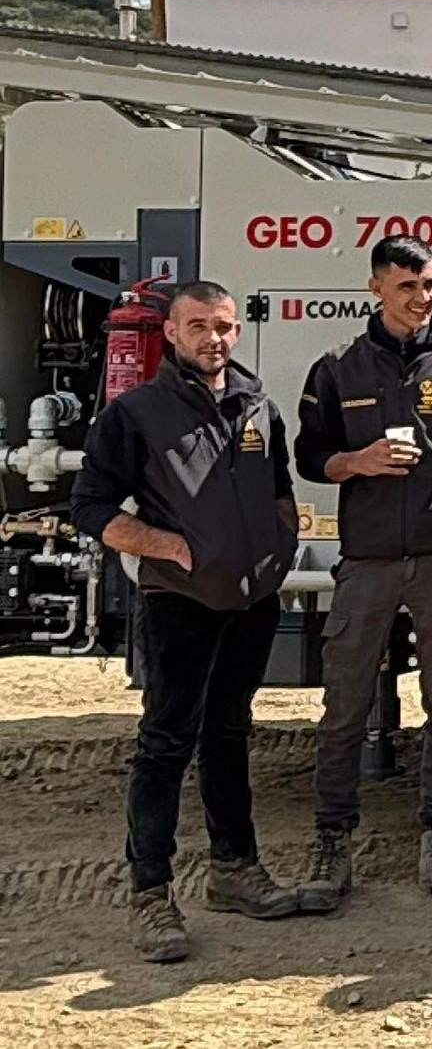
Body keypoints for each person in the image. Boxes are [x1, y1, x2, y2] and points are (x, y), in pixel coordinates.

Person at [70, 281, 300, 963]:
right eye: (198, 326)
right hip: (179, 603)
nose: (214, 339)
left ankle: (235, 870)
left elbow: (281, 489)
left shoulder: (258, 403)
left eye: (225, 326)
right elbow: (90, 506)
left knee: (230, 734)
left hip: (252, 602)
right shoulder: (136, 413)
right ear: (171, 332)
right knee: (166, 743)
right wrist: (168, 547)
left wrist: (279, 550)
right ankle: (151, 894)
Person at [293, 236, 432, 915]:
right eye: (408, 286)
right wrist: (357, 463)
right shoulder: (338, 369)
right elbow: (309, 457)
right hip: (369, 562)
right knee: (345, 706)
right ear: (376, 288)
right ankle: (331, 842)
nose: (423, 298)